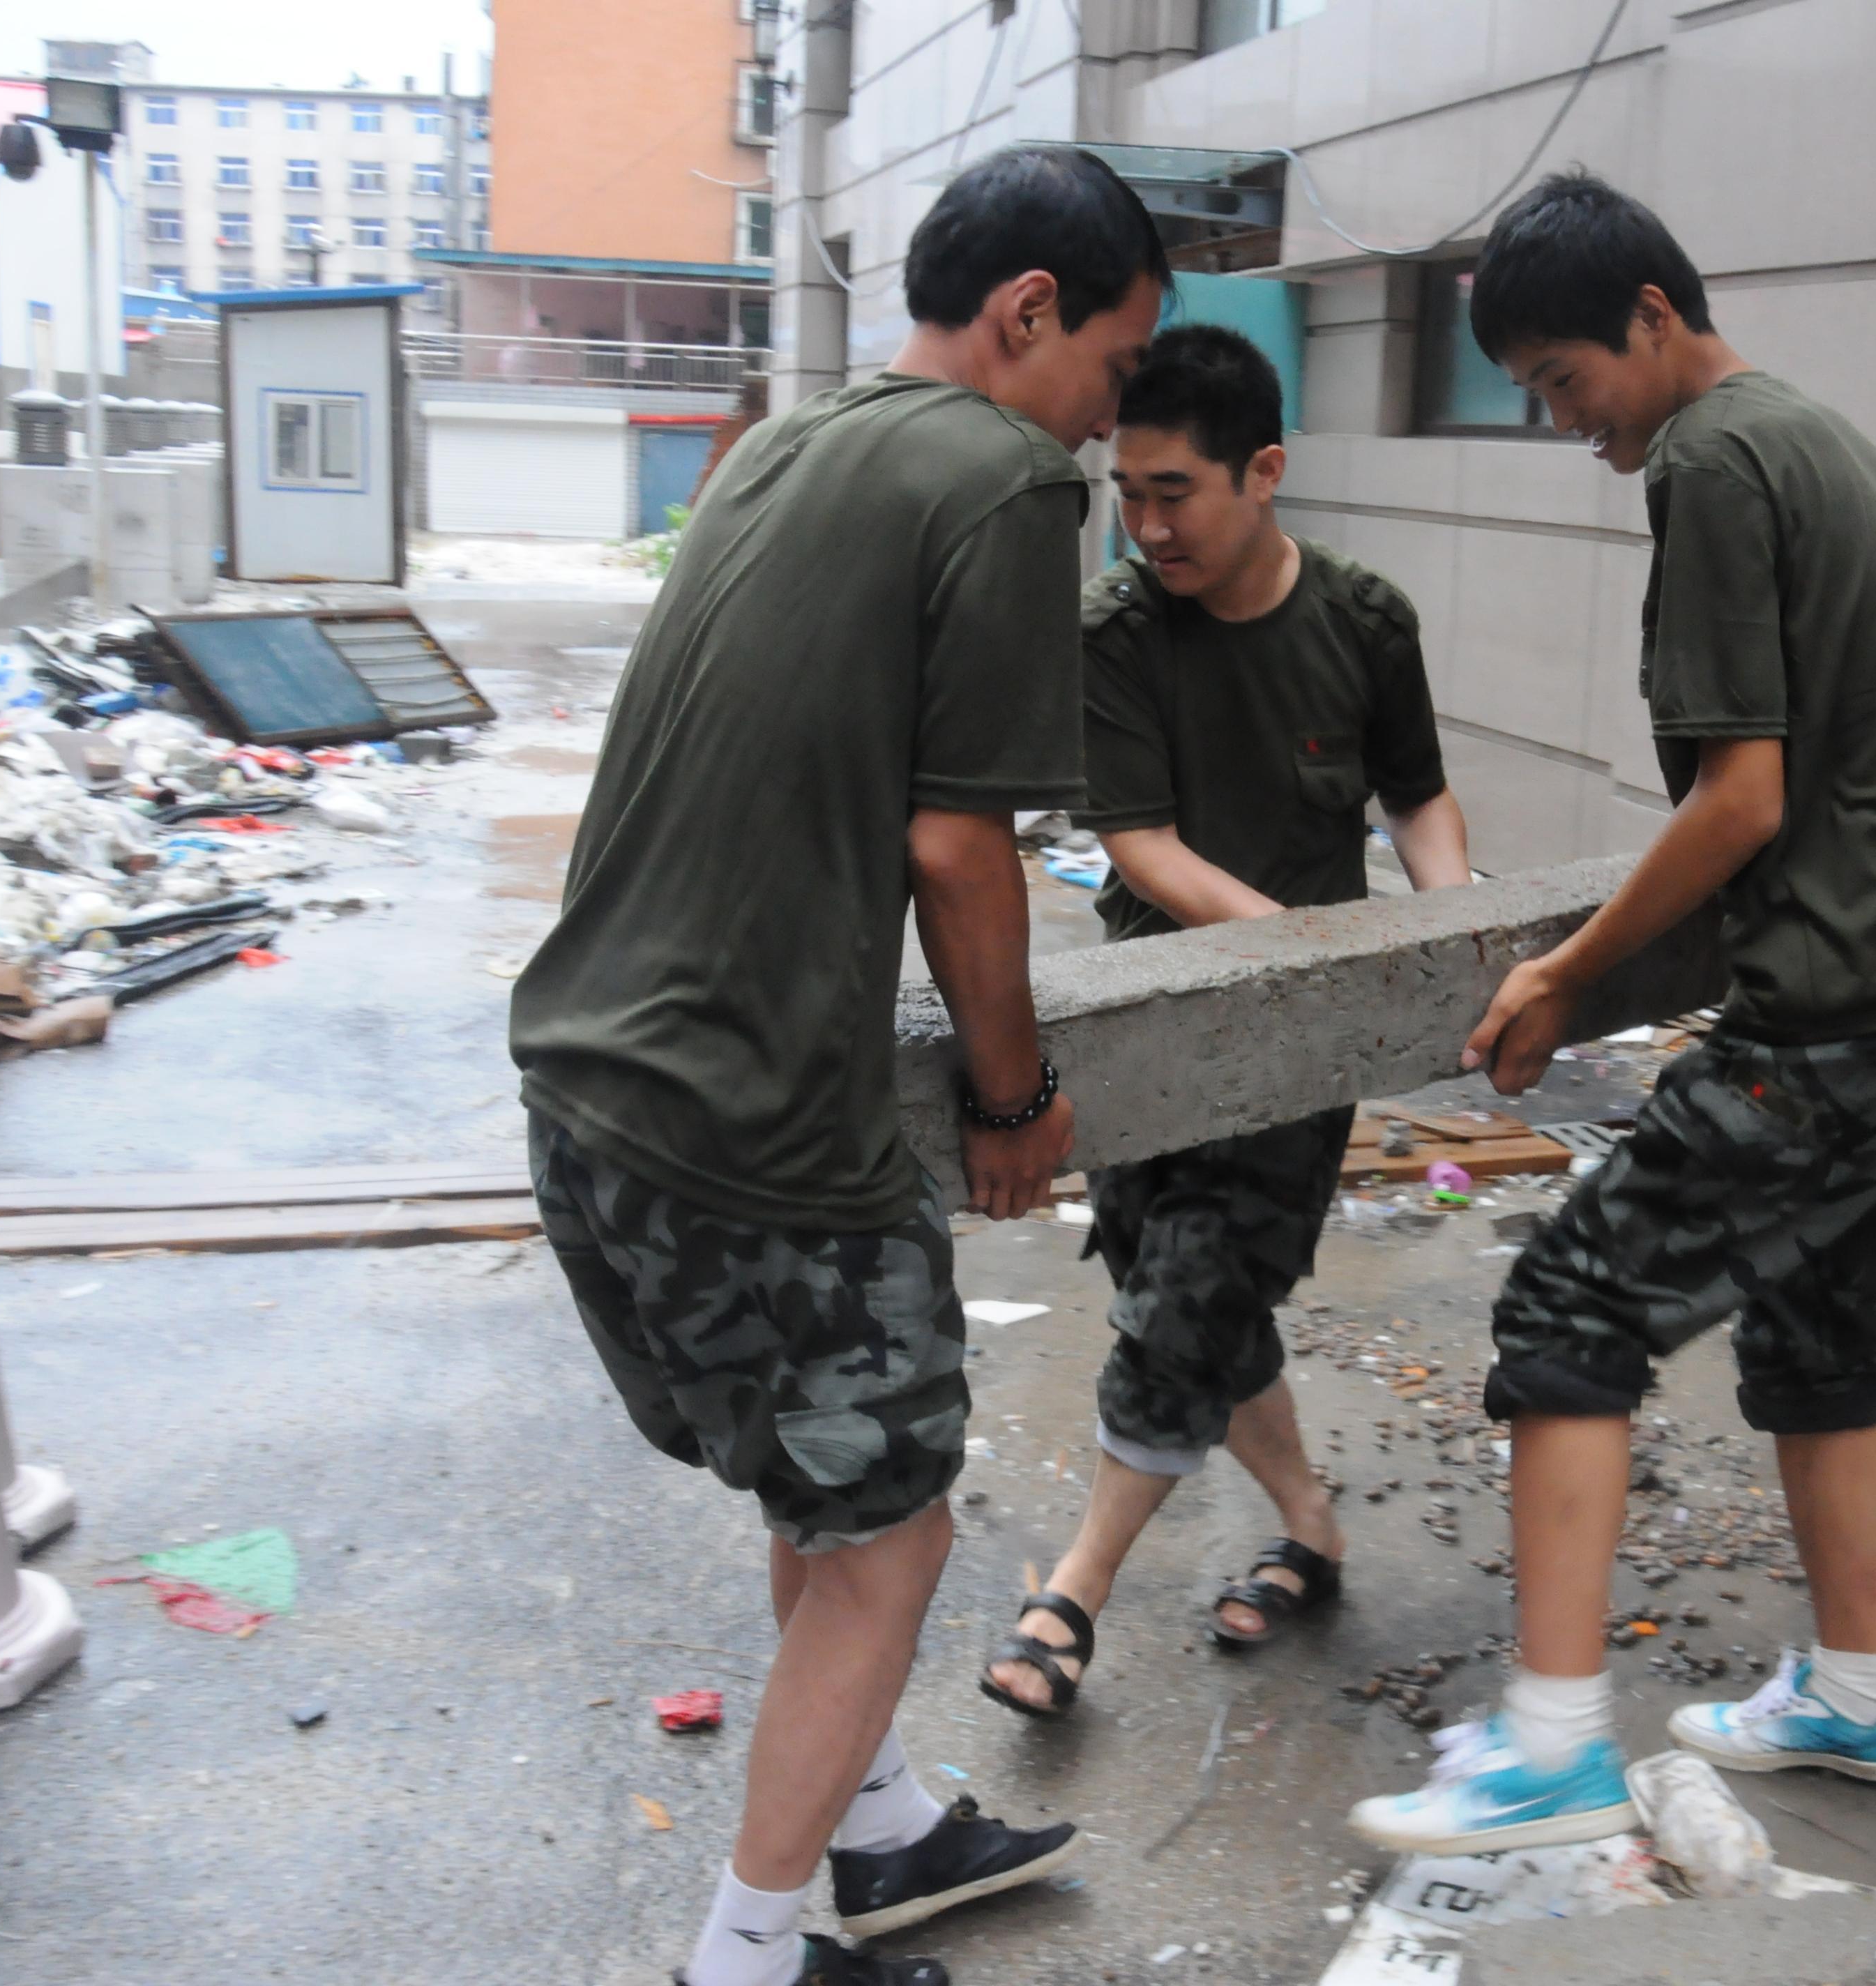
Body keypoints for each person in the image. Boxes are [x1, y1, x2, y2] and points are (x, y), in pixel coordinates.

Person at [507, 146, 1169, 1986]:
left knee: (836, 1491)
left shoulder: (785, 445)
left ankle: (874, 1827)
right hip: (744, 1122)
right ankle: (745, 1956)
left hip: (585, 1080)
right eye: (1113, 365)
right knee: (891, 1538)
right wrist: (1016, 1101)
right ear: (1028, 314)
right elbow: (960, 849)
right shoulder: (1000, 478)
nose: (1109, 420)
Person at [1347, 173, 1876, 1855]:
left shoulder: (1712, 463)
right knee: (1822, 1330)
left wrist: (1565, 970)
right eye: (1531, 389)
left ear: (1652, 316)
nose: (1559, 417)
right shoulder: (1814, 434)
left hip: (1853, 999)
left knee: (1569, 1306)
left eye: (1564, 376)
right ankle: (1855, 1696)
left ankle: (1552, 1751)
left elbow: (1741, 797)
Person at [981, 323, 1472, 1718]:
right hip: (1147, 1022)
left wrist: (1447, 934)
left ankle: (1072, 1594)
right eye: (1127, 493)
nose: (1145, 526)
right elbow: (1141, 843)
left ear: (1264, 471)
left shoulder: (1365, 622)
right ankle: (1310, 1524)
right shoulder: (1116, 631)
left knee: (1193, 1288)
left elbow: (1417, 795)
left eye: (1174, 493)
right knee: (1183, 1284)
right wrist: (1301, 942)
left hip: (1302, 1044)